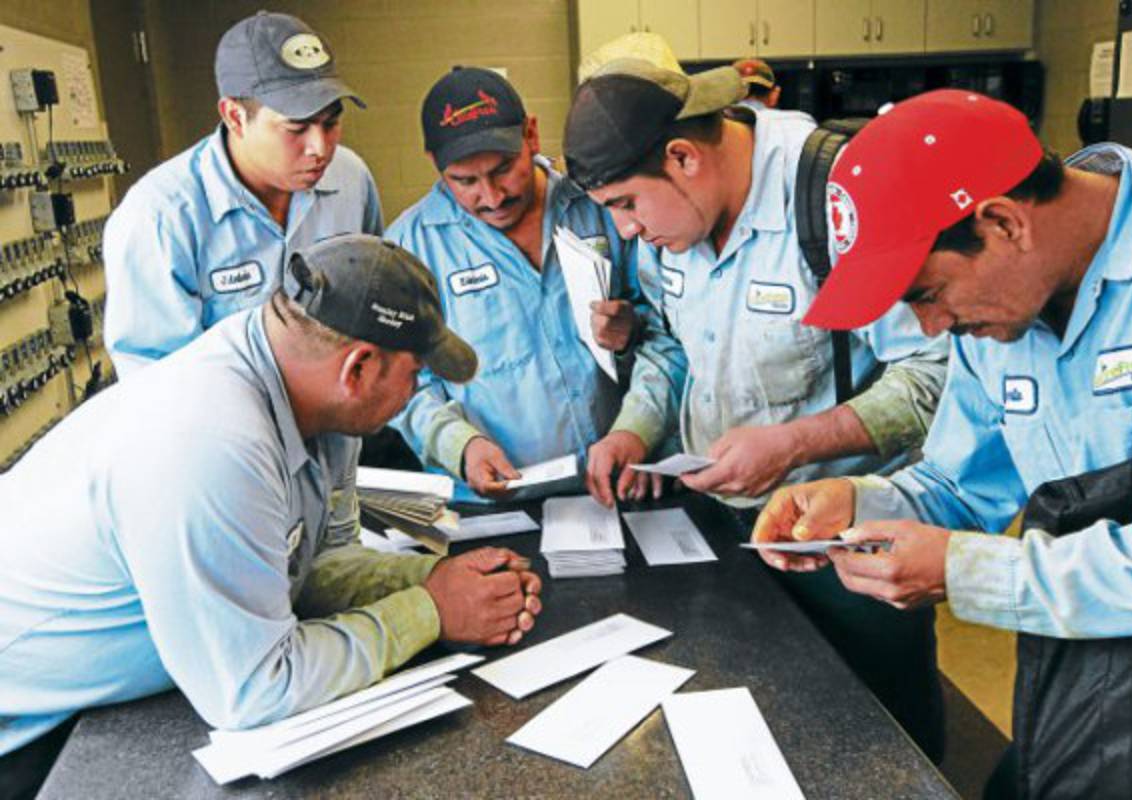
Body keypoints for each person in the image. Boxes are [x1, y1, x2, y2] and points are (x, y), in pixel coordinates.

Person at [752, 89, 1132, 797]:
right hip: (1098, 676)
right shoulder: (998, 313)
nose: (929, 329)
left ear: (1002, 223)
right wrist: (860, 498)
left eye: (927, 293)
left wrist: (965, 573)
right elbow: (963, 486)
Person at [0, 235, 542, 800]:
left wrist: (431, 578)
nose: (417, 391)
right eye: (415, 373)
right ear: (358, 367)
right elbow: (254, 690)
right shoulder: (208, 438)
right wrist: (431, 610)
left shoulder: (317, 401)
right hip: (26, 732)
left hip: (96, 705)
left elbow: (307, 568)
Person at [562, 35, 949, 759]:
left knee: (881, 750)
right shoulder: (663, 224)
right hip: (721, 531)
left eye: (625, 206)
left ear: (683, 157)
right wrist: (636, 430)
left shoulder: (836, 195)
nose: (627, 230)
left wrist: (798, 443)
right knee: (764, 741)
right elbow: (671, 345)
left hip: (843, 547)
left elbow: (937, 377)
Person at [386, 67, 686, 502]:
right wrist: (459, 445)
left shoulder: (603, 207)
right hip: (493, 503)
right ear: (435, 164)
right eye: (465, 181)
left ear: (531, 135)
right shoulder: (409, 249)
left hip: (622, 484)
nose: (492, 196)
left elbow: (670, 334)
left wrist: (637, 409)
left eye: (504, 169)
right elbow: (402, 382)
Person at [103, 11, 383, 376]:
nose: (319, 147)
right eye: (296, 128)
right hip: (228, 428)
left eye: (331, 123)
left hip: (340, 426)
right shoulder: (160, 218)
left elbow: (375, 296)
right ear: (235, 117)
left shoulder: (351, 179)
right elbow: (161, 384)